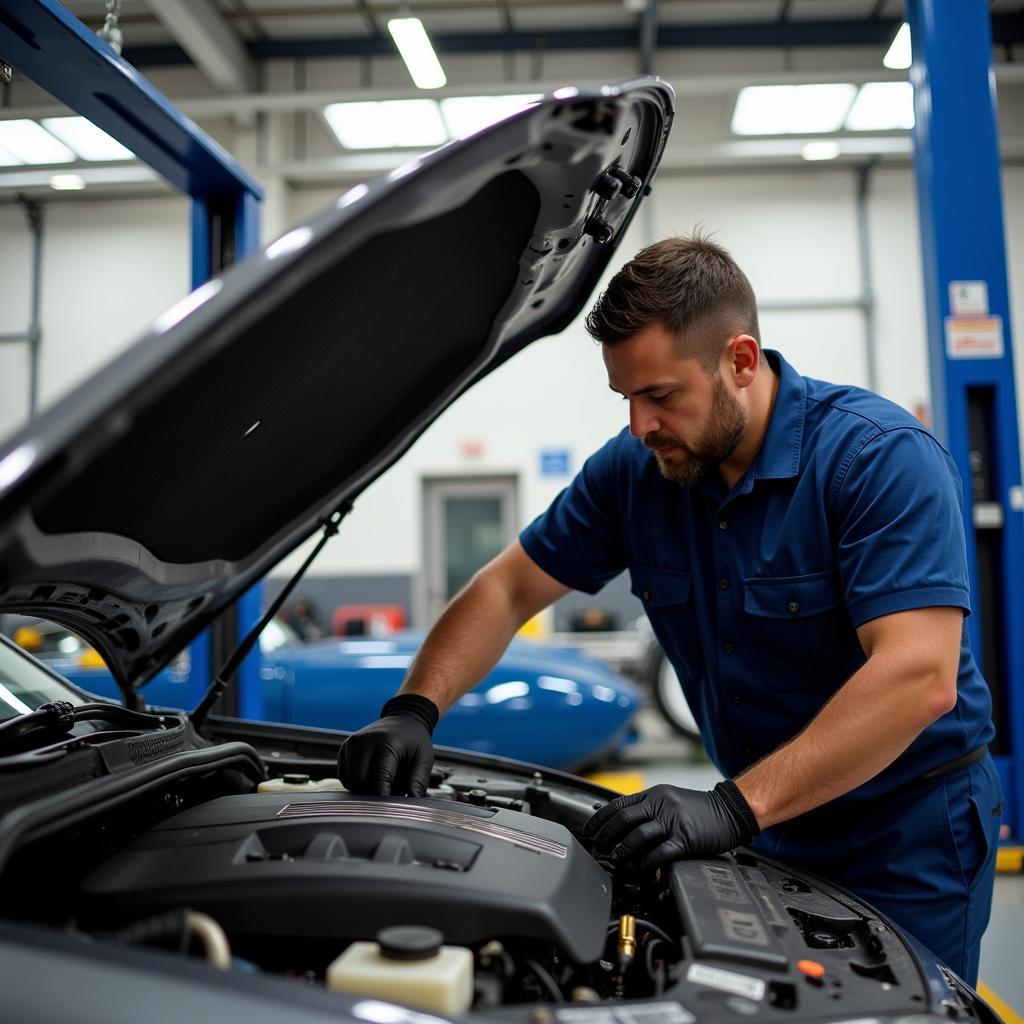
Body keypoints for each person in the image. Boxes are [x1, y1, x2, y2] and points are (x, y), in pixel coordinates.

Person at [338, 234, 1002, 985]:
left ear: (741, 362)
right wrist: (415, 709)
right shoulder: (638, 473)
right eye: (627, 398)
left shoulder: (878, 460)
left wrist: (731, 809)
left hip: (904, 835)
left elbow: (919, 676)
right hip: (763, 822)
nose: (639, 426)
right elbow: (507, 588)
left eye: (661, 396)